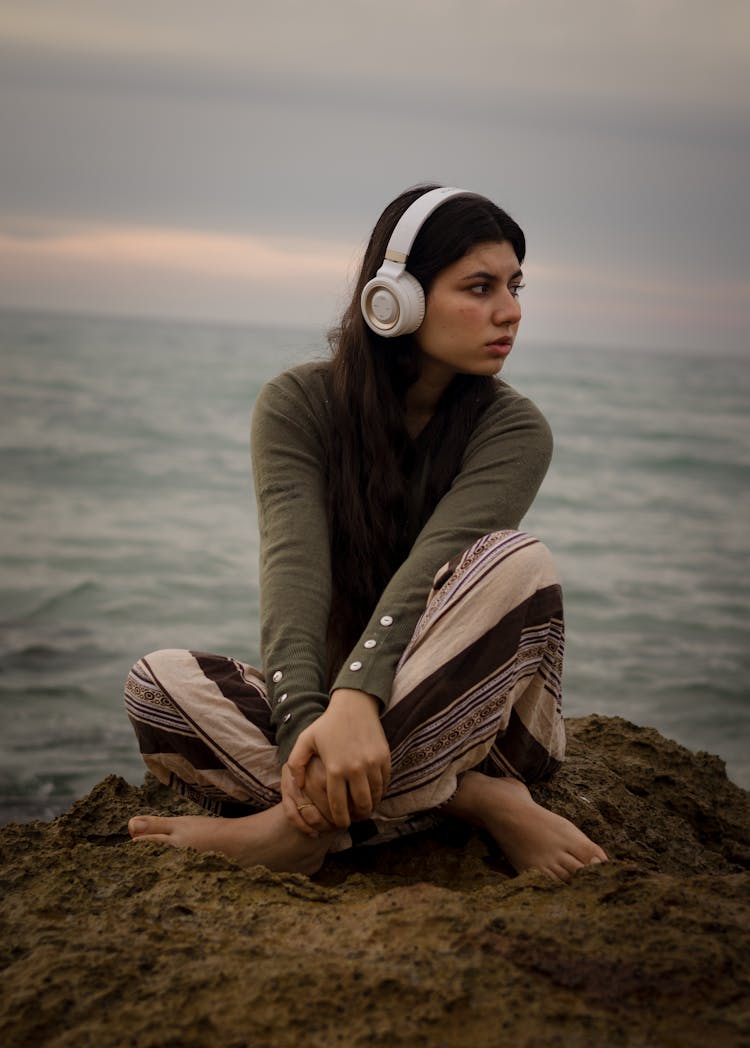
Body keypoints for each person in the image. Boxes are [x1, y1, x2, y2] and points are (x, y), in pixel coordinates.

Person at [124, 184, 608, 882]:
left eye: (514, 285)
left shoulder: (515, 429)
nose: (511, 311)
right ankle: (470, 802)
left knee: (515, 560)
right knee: (155, 683)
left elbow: (434, 564)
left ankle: (295, 829)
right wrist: (307, 725)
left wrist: (356, 700)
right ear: (393, 299)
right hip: (342, 734)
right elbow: (294, 577)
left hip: (484, 729)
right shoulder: (297, 405)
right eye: (480, 286)